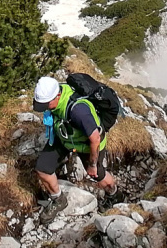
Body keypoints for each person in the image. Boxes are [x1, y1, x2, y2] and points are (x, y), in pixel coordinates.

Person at [32, 75, 116, 221]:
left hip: (86, 145)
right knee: (42, 169)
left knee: (97, 175)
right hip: (65, 137)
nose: (43, 108)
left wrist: (92, 165)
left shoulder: (78, 111)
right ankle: (58, 199)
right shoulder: (55, 95)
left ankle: (114, 195)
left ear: (57, 95)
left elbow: (95, 138)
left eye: (46, 104)